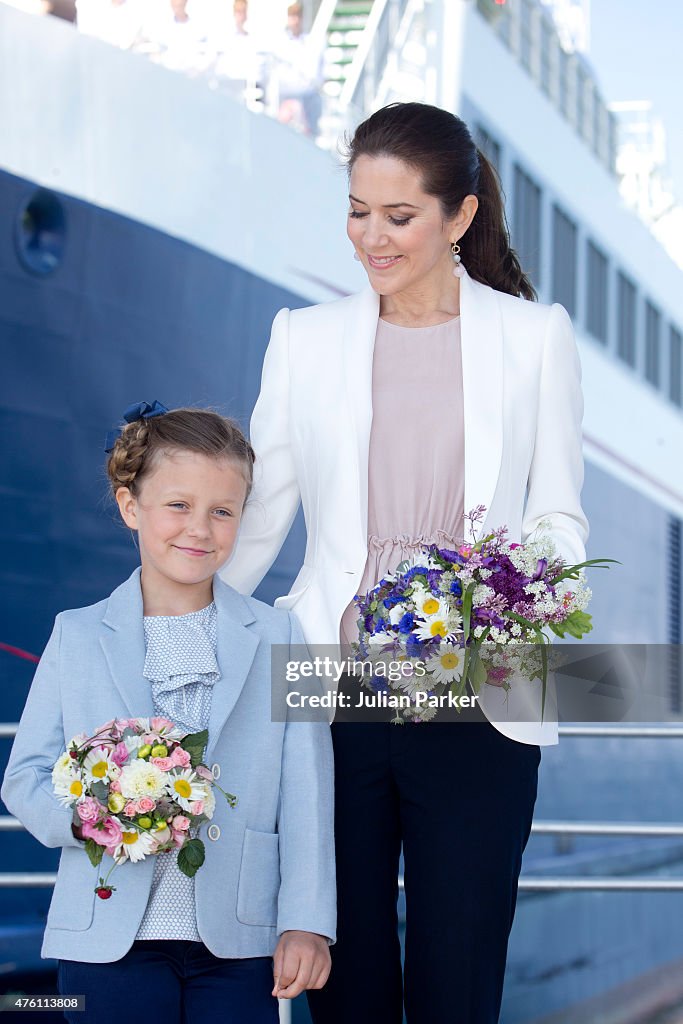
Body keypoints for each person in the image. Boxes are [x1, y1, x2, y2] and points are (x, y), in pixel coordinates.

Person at [219, 101, 589, 1023]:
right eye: (356, 211)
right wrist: (173, 630)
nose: (369, 238)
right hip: (326, 698)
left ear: (458, 217)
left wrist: (491, 598)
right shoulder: (303, 339)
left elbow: (557, 520)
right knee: (336, 980)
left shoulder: (533, 337)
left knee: (457, 980)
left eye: (397, 217)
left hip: (479, 696)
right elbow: (261, 518)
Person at [1, 403, 335, 1024]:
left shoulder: (287, 637)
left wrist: (307, 923)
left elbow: (309, 796)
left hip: (240, 939)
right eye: (178, 505)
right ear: (132, 508)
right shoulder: (73, 634)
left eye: (223, 511)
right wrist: (91, 819)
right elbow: (24, 777)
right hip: (105, 940)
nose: (200, 529)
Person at [271, 2, 323, 136]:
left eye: (298, 16)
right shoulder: (281, 43)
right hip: (287, 98)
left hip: (307, 99)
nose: (295, 21)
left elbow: (313, 75)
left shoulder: (311, 42)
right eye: (292, 16)